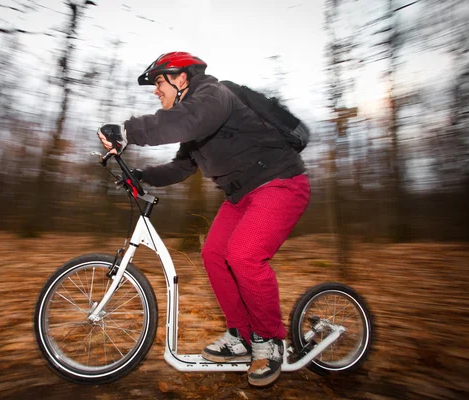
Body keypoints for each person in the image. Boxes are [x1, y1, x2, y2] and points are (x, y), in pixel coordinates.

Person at [97, 51, 310, 387]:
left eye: (158, 82)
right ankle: (241, 336)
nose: (155, 90)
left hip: (280, 183)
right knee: (214, 254)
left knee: (243, 255)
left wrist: (127, 130)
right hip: (242, 196)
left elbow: (186, 121)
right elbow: (182, 166)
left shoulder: (214, 95)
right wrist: (142, 174)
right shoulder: (195, 120)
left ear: (182, 78)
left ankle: (269, 341)